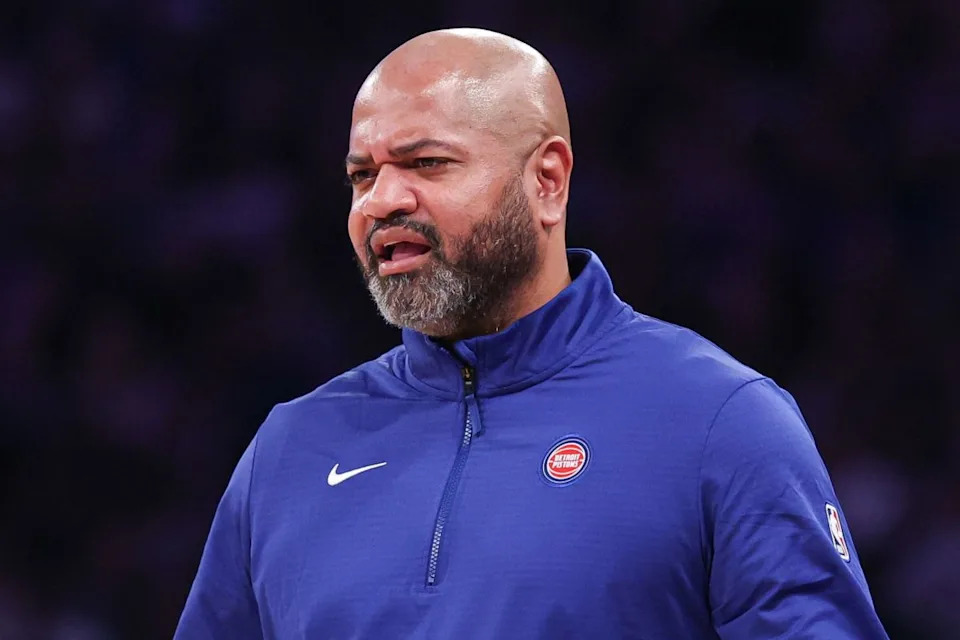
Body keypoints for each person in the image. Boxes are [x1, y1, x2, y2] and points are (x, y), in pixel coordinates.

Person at [174, 28, 889, 639]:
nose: (382, 201)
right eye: (362, 175)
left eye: (427, 163)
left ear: (546, 181)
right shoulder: (290, 450)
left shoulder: (717, 421)